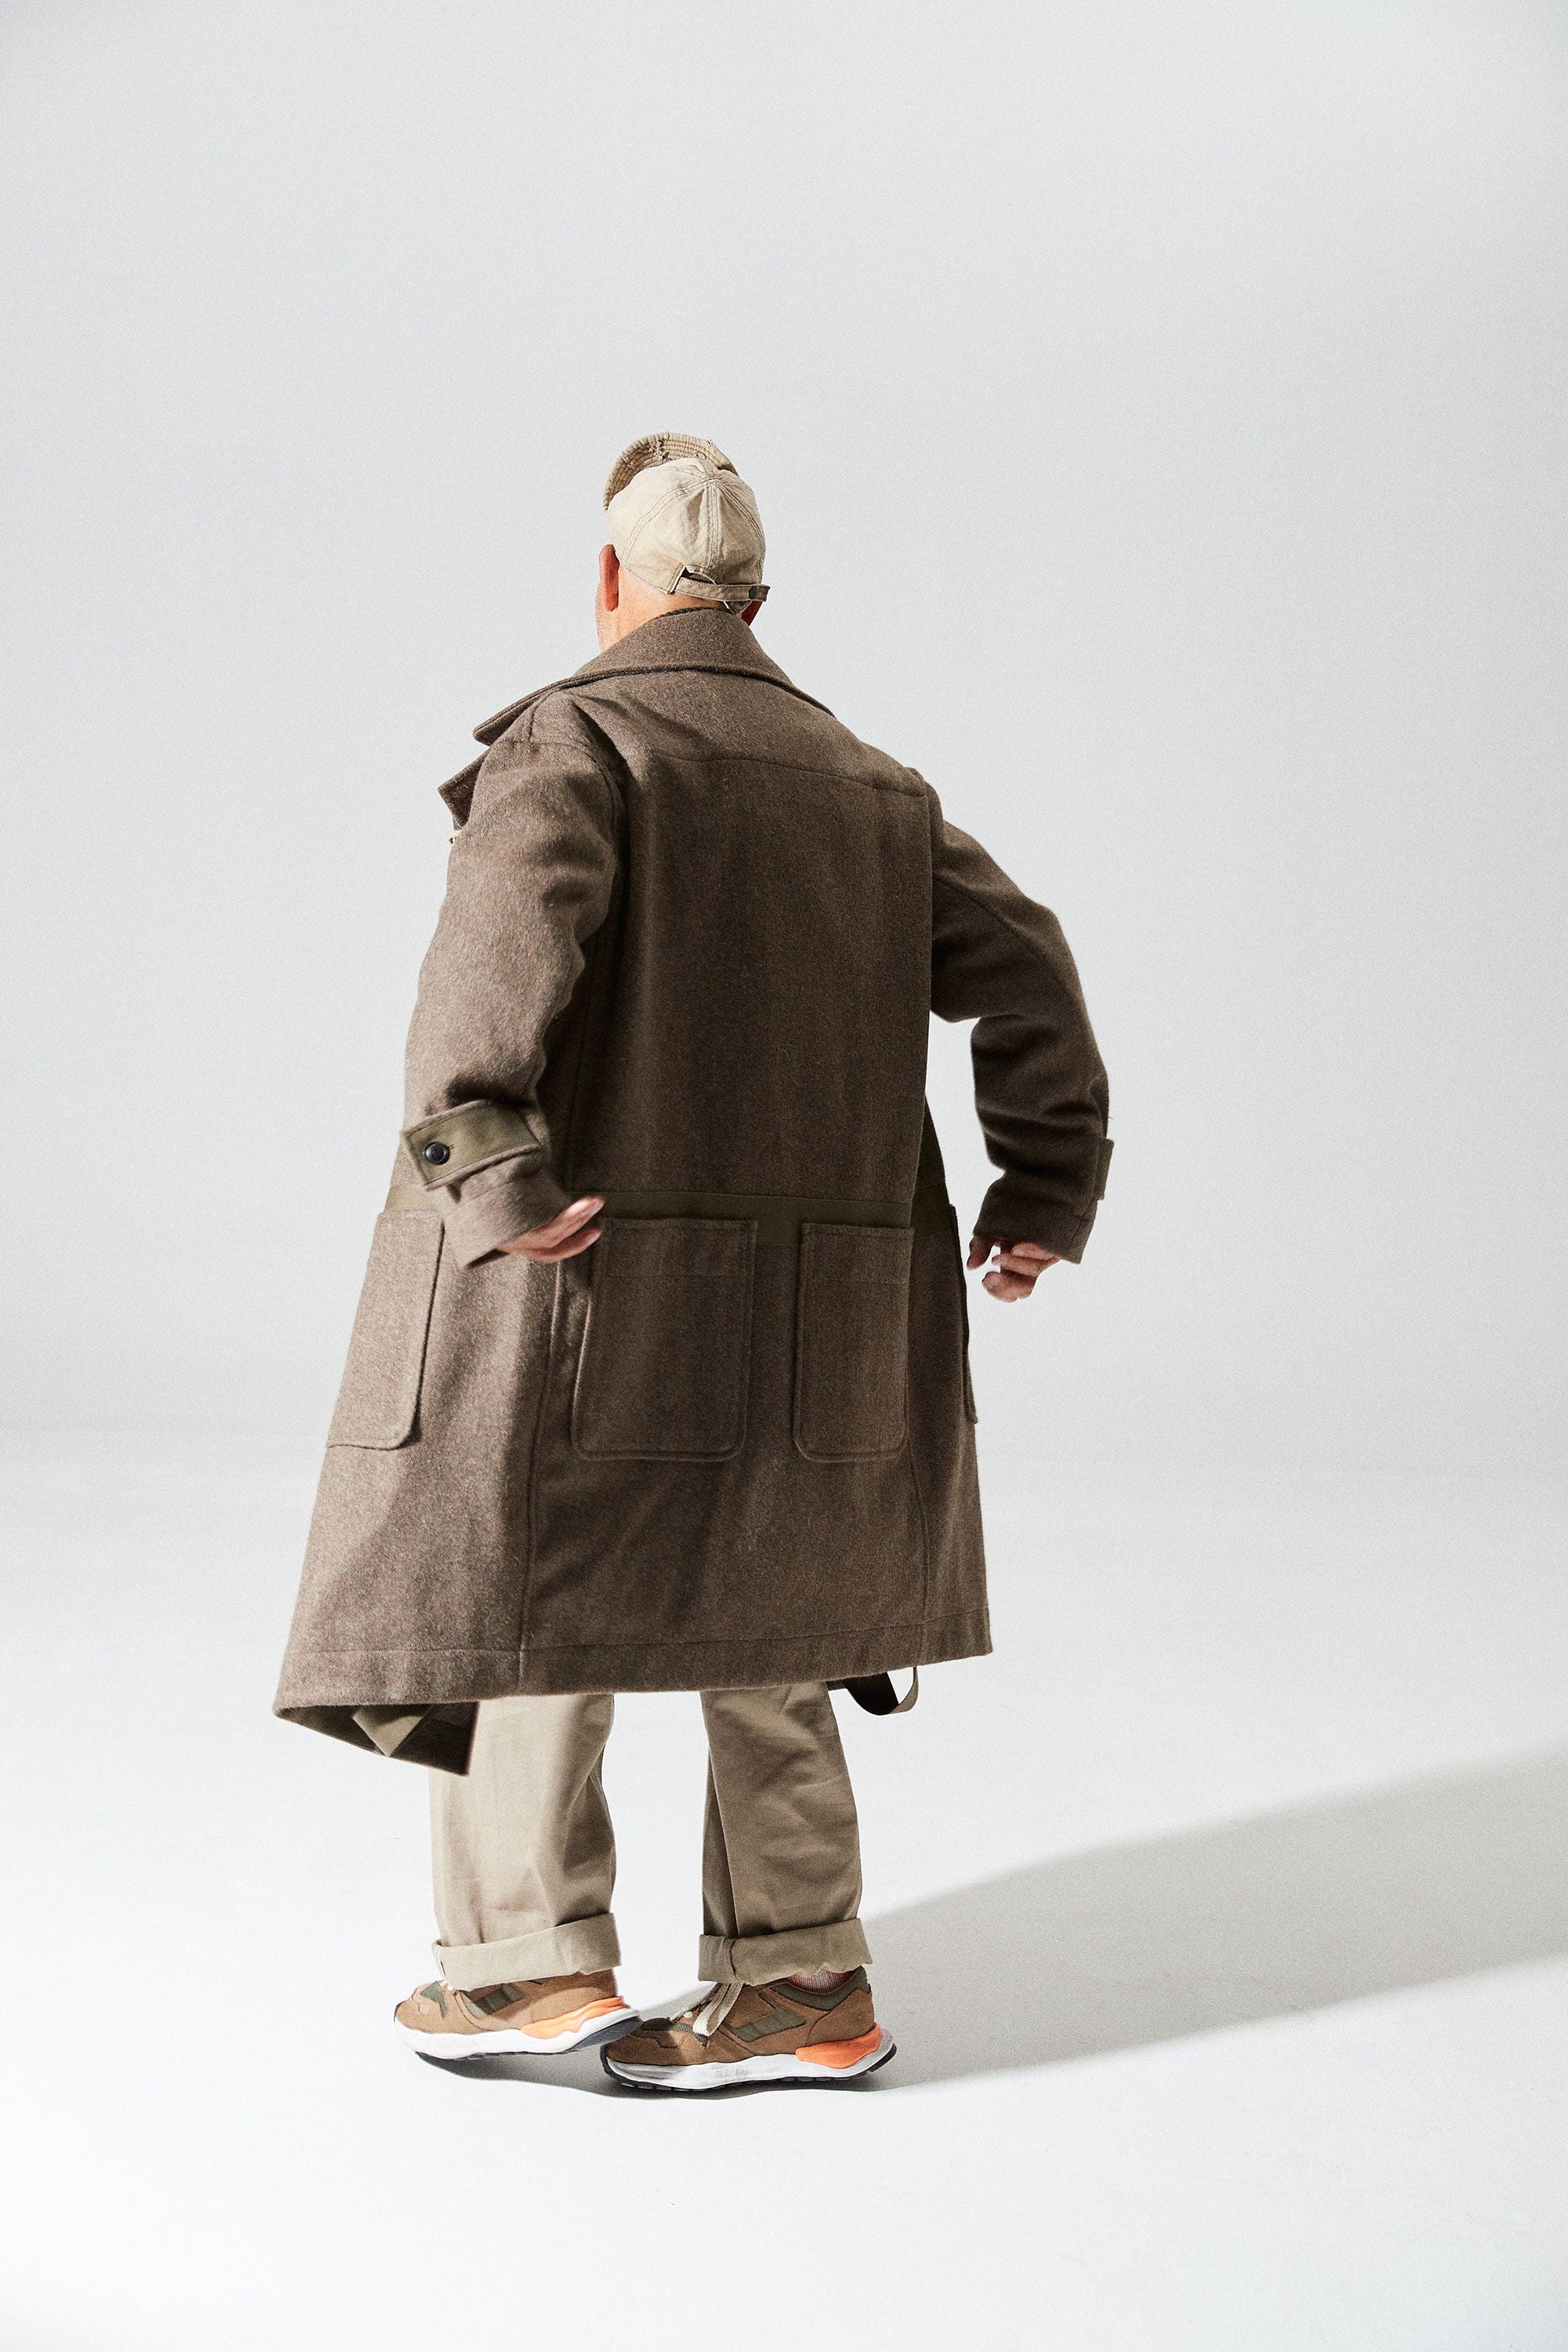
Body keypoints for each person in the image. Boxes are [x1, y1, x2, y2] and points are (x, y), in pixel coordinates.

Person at [274, 431, 1111, 2091]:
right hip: (818, 1302)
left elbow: (486, 980)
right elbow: (1029, 970)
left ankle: (524, 1970)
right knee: (778, 1597)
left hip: (591, 1272)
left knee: (523, 1591)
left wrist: (489, 1173)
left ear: (610, 579)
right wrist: (1041, 1185)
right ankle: (801, 1985)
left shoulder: (577, 737)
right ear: (756, 600)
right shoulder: (877, 789)